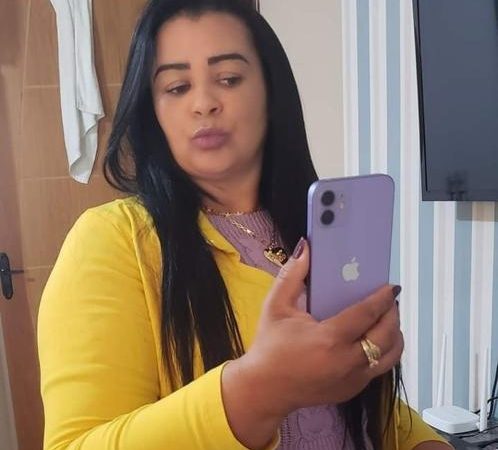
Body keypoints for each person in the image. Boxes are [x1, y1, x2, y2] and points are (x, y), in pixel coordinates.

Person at [37, 0, 452, 449]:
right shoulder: (114, 241)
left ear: (271, 91)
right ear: (152, 110)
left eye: (229, 79)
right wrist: (261, 389)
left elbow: (362, 411)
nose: (203, 104)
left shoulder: (315, 228)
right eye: (177, 87)